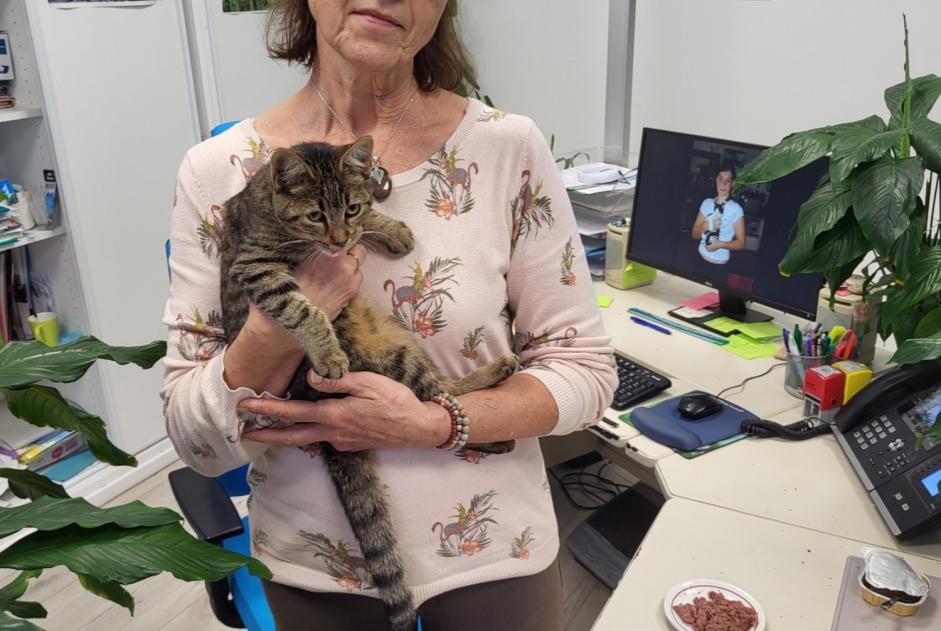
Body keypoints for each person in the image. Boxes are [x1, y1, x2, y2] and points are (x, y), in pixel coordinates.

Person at [161, 1, 616, 629]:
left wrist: (431, 422)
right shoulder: (215, 174)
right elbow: (195, 443)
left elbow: (587, 374)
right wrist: (275, 330)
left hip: (494, 554)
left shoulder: (508, 149)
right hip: (313, 569)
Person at [691, 166, 746, 264]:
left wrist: (720, 244)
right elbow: (694, 235)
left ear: (733, 183)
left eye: (728, 180)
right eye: (720, 179)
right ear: (716, 179)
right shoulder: (706, 203)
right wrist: (705, 226)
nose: (723, 184)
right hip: (699, 258)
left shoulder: (736, 209)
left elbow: (742, 243)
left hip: (719, 264)